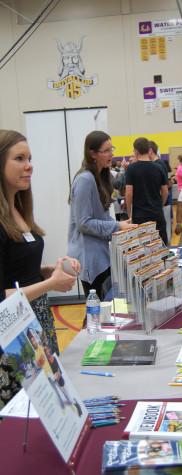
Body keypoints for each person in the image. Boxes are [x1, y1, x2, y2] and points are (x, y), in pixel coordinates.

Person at [0, 129, 79, 406]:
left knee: (53, 403)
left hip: (38, 323)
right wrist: (50, 284)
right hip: (12, 337)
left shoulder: (18, 210)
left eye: (30, 157)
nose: (29, 165)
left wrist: (45, 271)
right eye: (19, 158)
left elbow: (16, 270)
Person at [68, 131, 137, 306]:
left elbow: (102, 217)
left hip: (102, 257)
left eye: (111, 149)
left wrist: (120, 228)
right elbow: (83, 223)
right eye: (106, 150)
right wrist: (117, 226)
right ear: (92, 154)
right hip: (91, 260)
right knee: (99, 313)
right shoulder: (85, 180)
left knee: (110, 309)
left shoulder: (100, 177)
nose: (111, 154)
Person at [125, 137, 168, 244]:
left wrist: (129, 213)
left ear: (135, 151)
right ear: (149, 150)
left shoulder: (131, 168)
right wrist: (160, 205)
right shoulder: (159, 167)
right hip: (157, 213)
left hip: (139, 215)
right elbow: (165, 191)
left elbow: (129, 193)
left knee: (142, 249)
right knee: (161, 245)